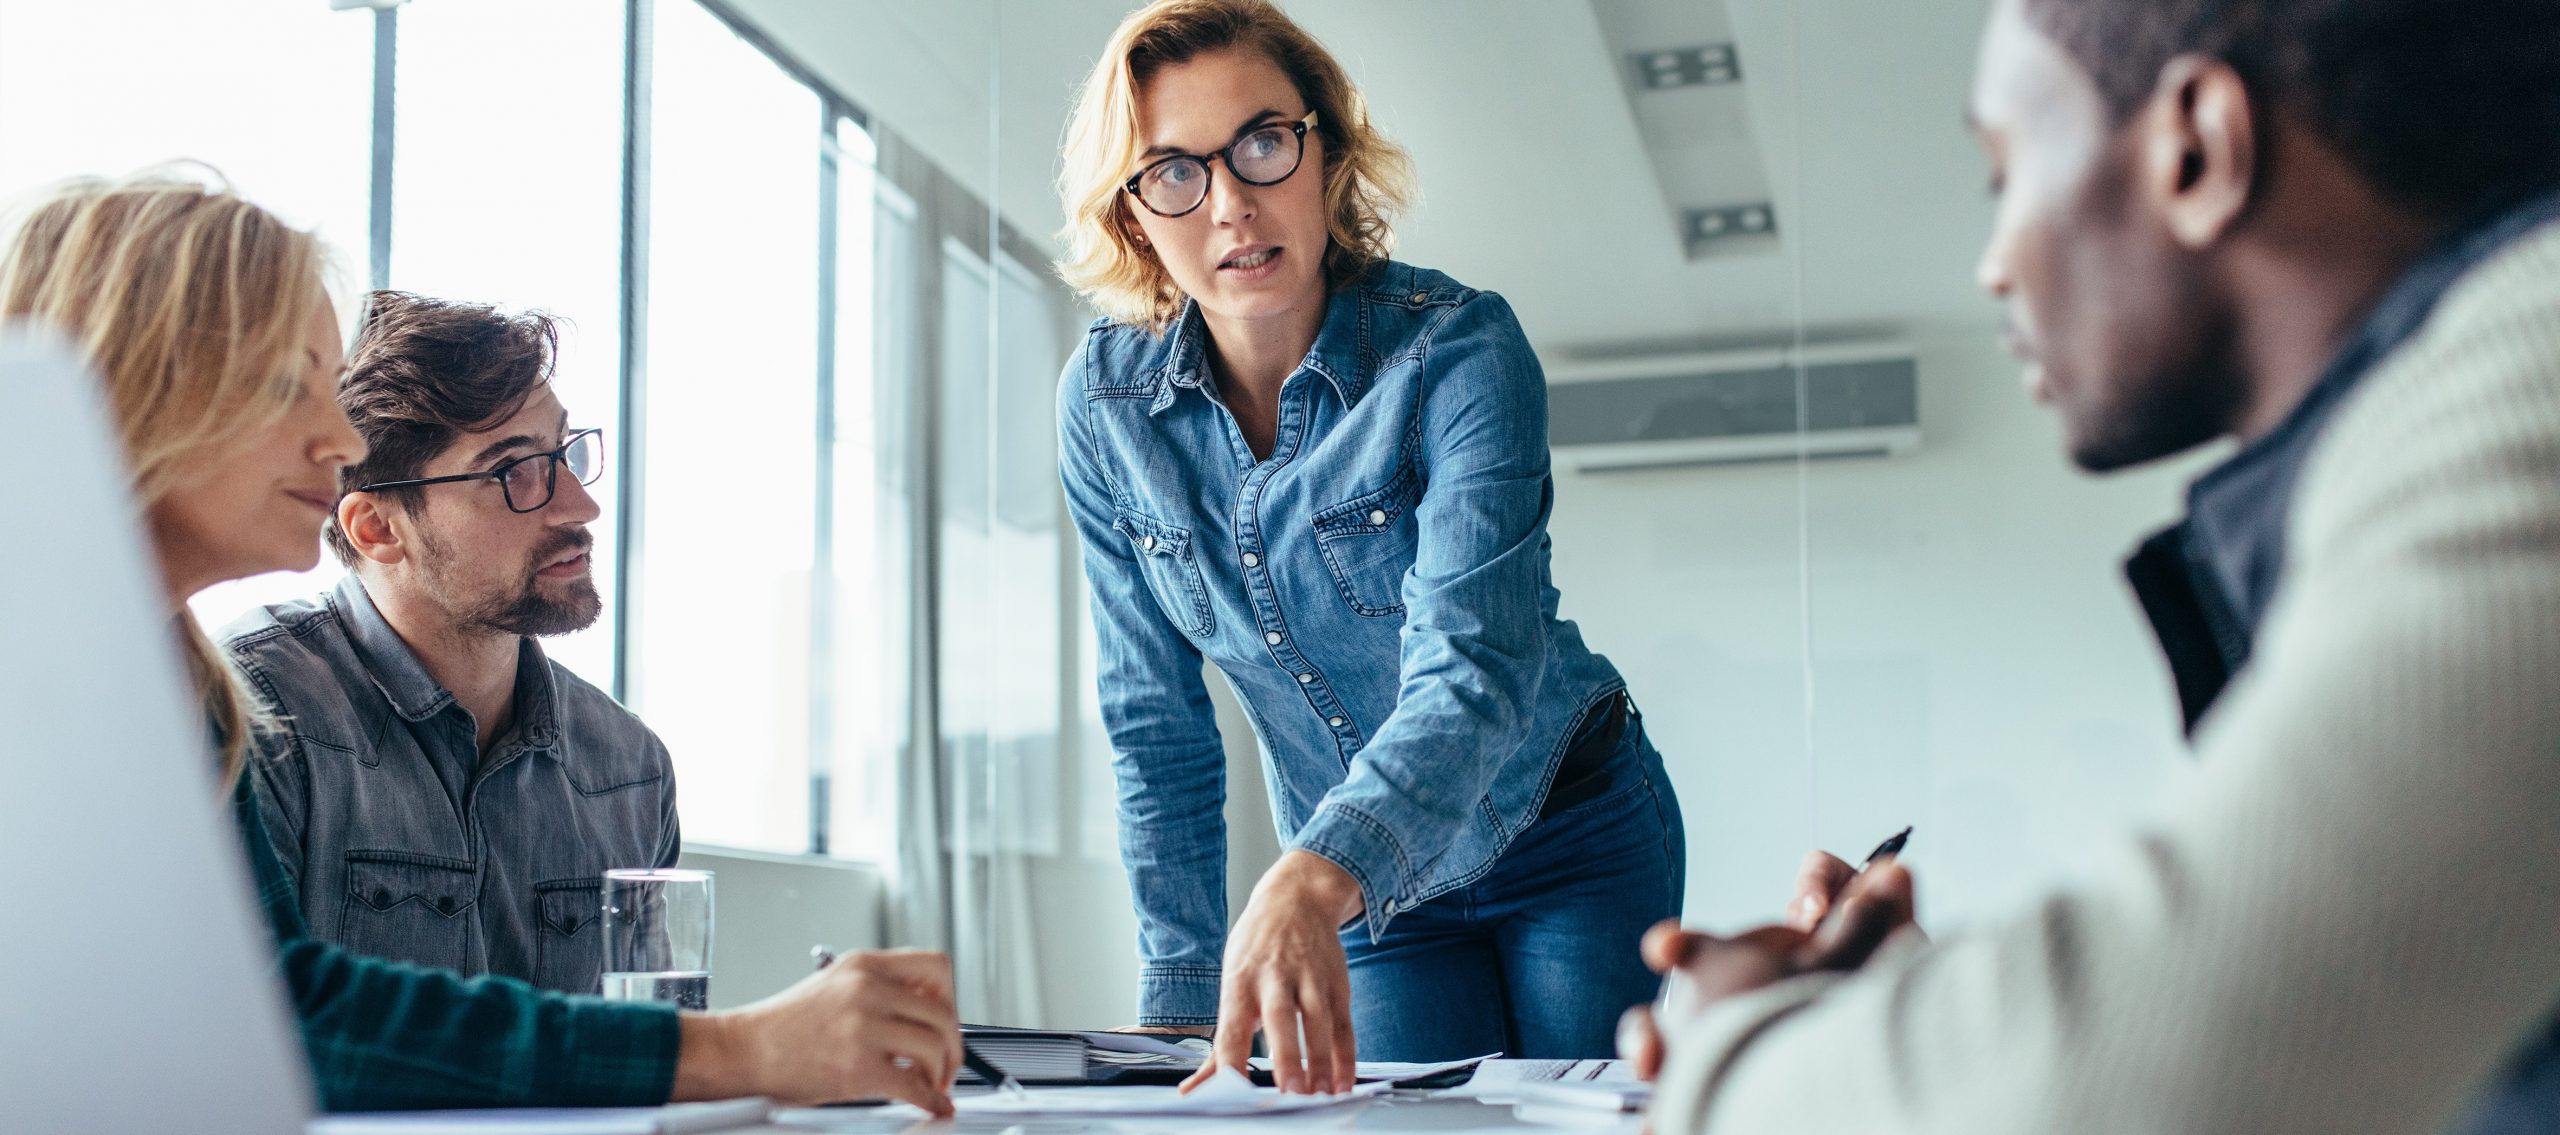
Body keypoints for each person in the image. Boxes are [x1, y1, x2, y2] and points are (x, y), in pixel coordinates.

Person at [1628, 0, 2560, 1131]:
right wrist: (1925, 1021)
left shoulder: (2531, 404)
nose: (1990, 265)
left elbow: (2135, 1080)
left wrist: (1735, 1046)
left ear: (2196, 148)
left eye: (2001, 174)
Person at [0, 170, 965, 1114]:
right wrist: (749, 1048)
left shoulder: (181, 685)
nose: (336, 439)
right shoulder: (216, 702)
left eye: (565, 457)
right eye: (286, 385)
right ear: (147, 384)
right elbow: (274, 1021)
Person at [1053, 0, 1684, 1088]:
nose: (1233, 206)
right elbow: (1153, 725)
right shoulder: (1104, 409)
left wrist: (1309, 873)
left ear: (1325, 151)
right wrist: (1178, 992)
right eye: (1172, 172)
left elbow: (1475, 666)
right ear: (1131, 213)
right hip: (1367, 893)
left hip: (1566, 831)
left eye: (1261, 143)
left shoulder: (1458, 348)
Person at [221, 290, 675, 996]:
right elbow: (256, 1041)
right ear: (377, 528)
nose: (581, 507)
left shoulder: (630, 767)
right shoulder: (254, 716)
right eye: (514, 471)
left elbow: (659, 1050)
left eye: (564, 453)